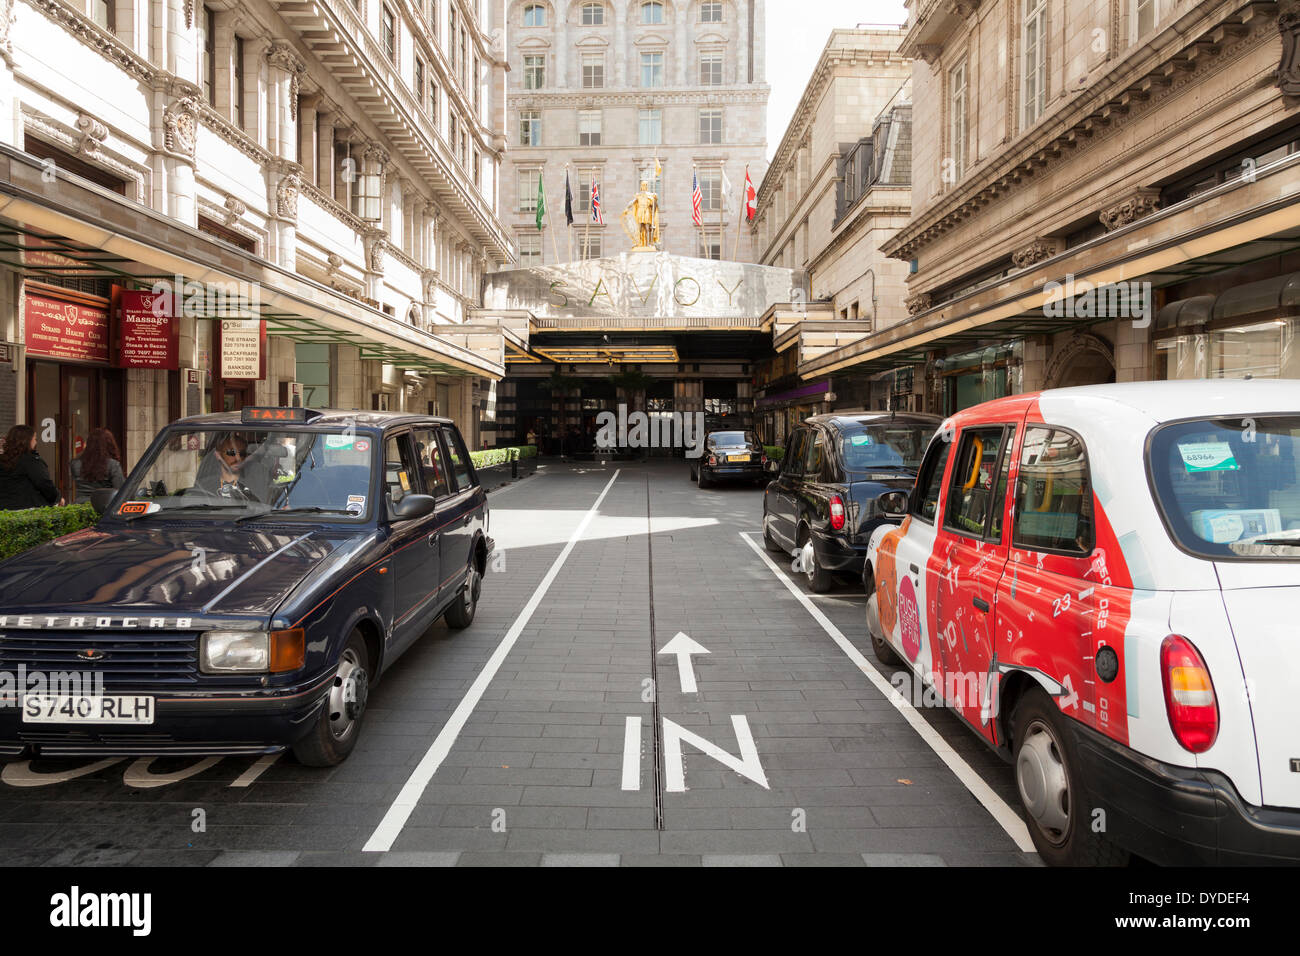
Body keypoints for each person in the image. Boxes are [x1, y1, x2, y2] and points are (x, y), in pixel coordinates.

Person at [0, 424, 62, 510]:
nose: (36, 442)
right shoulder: (31, 461)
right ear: (27, 440)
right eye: (35, 439)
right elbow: (44, 483)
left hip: (4, 512)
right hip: (26, 511)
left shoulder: (2, 460)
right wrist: (57, 498)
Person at [70, 427, 125, 504]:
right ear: (109, 444)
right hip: (103, 506)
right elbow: (122, 491)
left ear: (88, 444)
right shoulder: (113, 465)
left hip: (79, 506)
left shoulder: (75, 463)